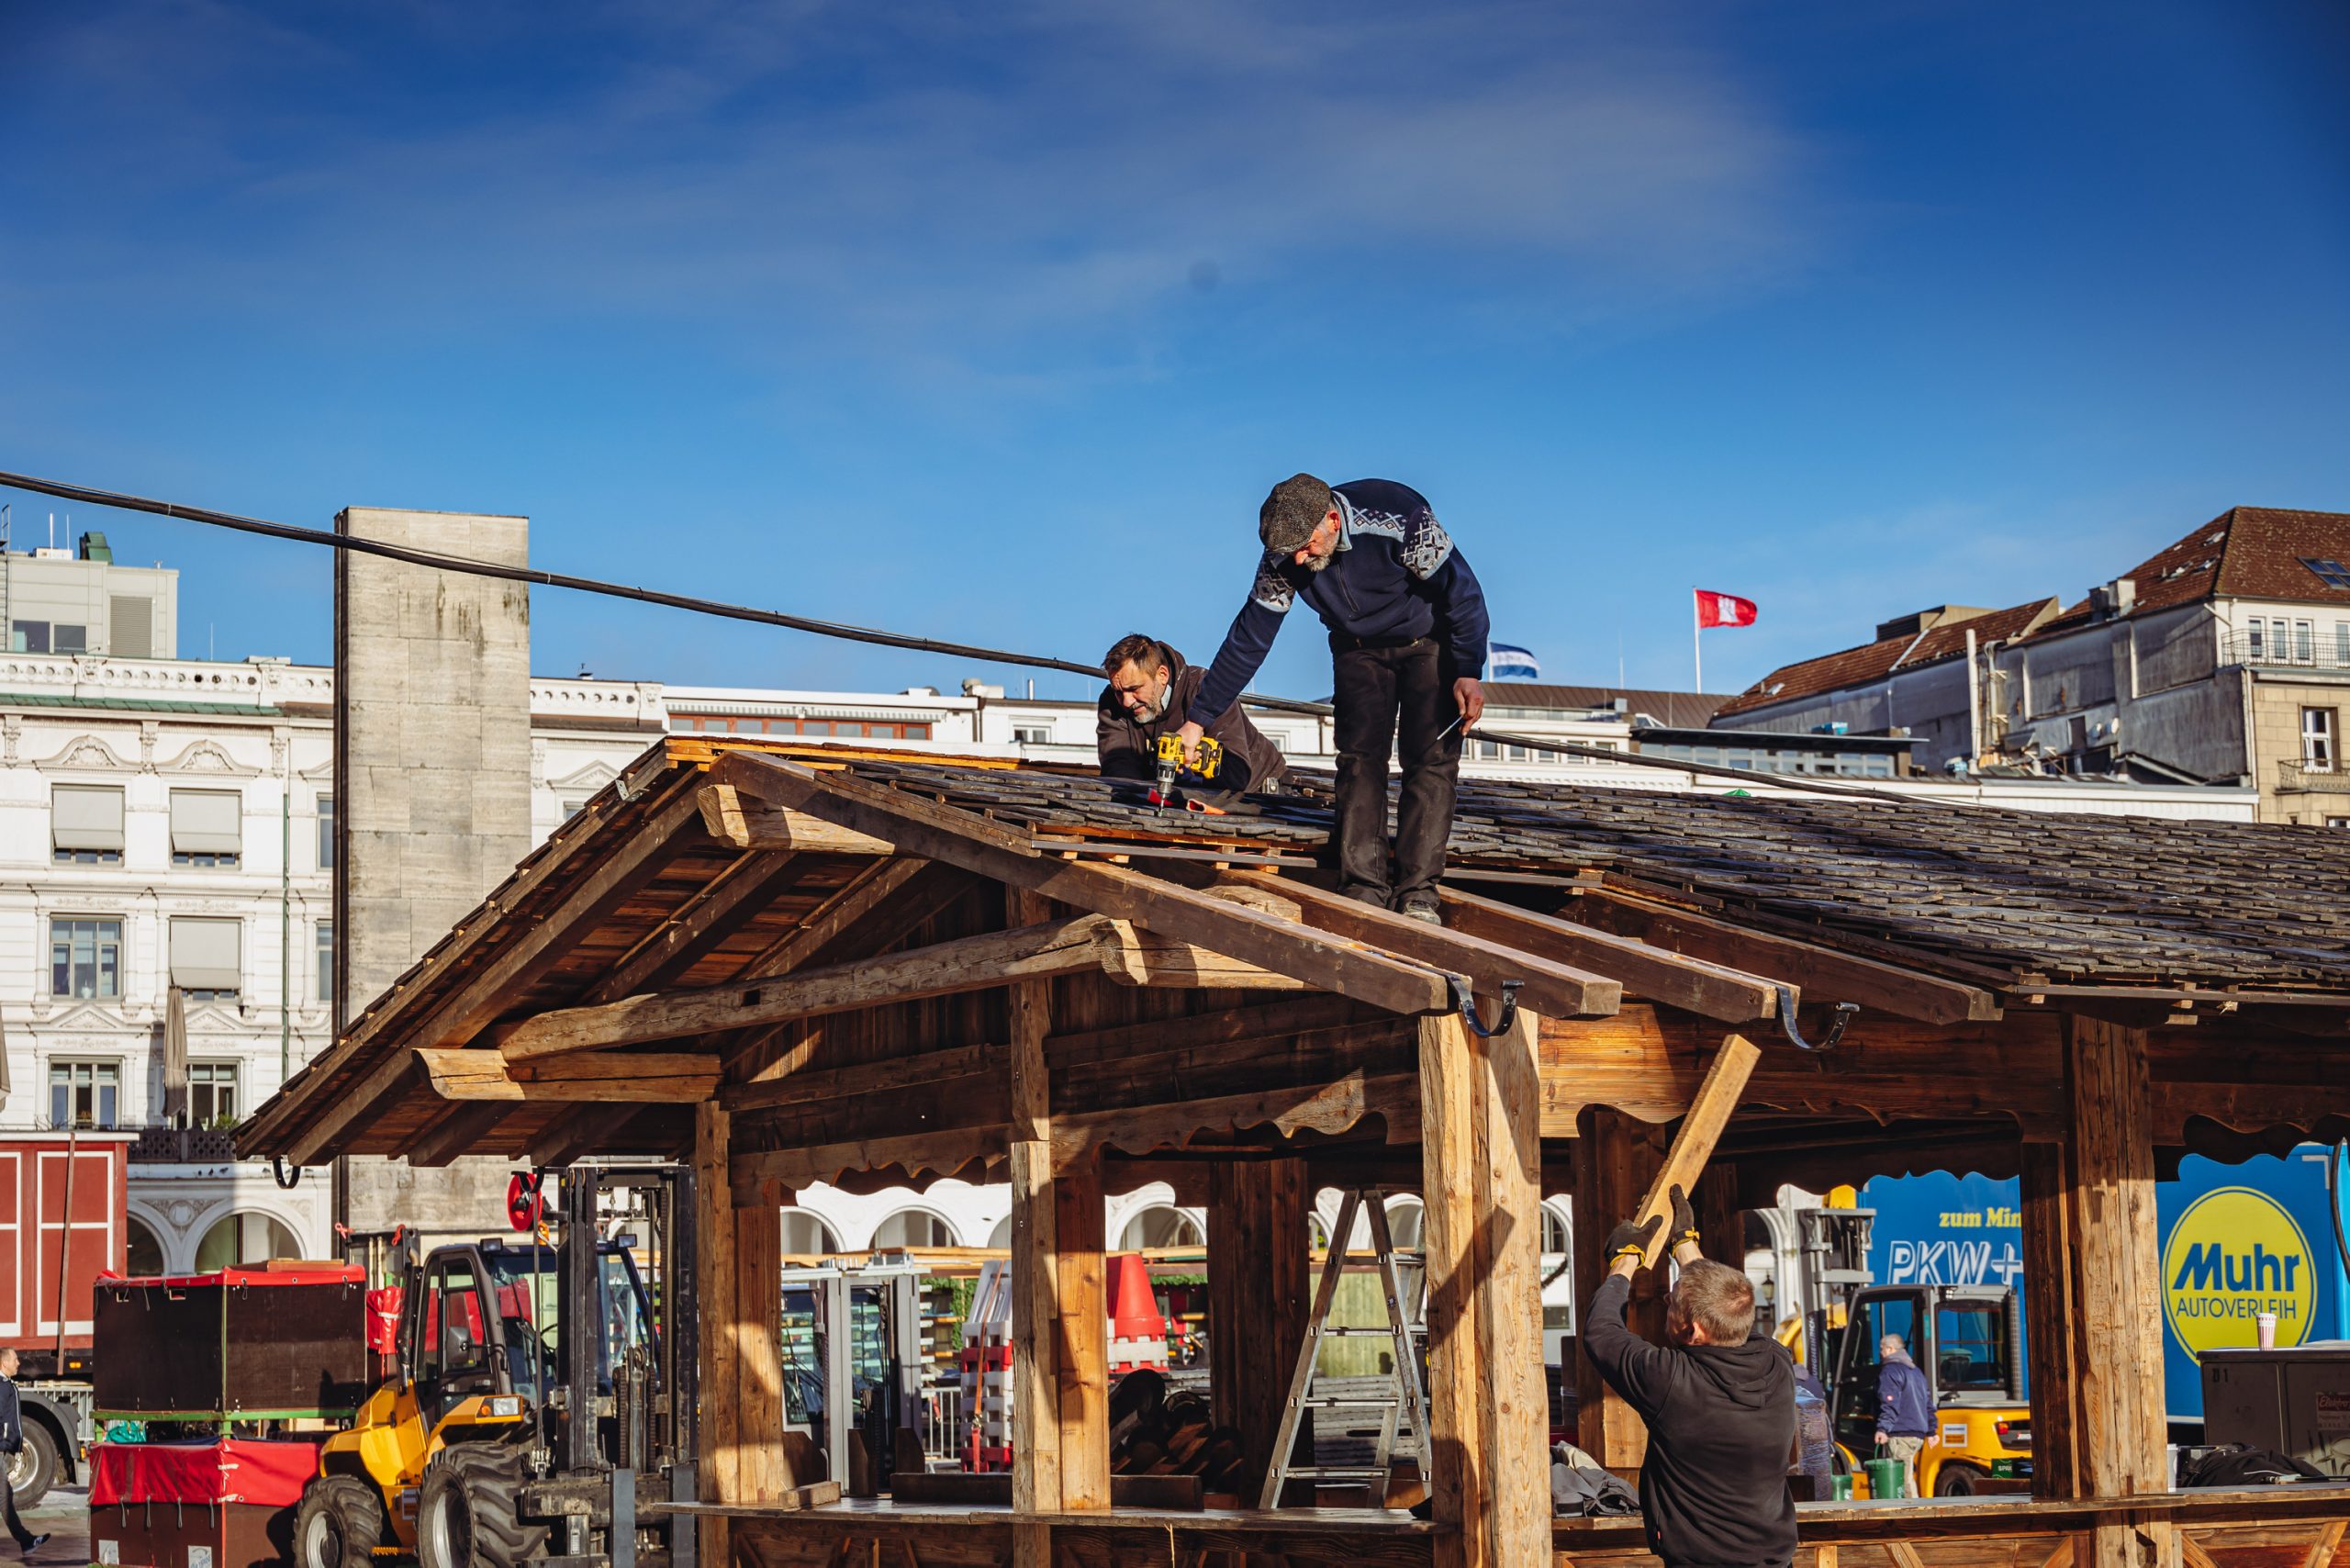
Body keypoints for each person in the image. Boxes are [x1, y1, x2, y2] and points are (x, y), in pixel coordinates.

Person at [1175, 475, 1488, 922]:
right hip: (1357, 649)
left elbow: (1464, 594)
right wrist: (1198, 719)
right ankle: (1364, 888)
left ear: (1333, 519)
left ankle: (1419, 893)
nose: (1300, 559)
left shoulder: (1399, 517)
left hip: (1427, 642)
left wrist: (1468, 671)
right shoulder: (1283, 557)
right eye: (1291, 553)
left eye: (1307, 546)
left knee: (1430, 761)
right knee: (1359, 760)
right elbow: (1249, 639)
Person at [1583, 1187, 1797, 1568]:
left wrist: (1625, 1260)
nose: (1667, 1299)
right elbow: (1729, 1313)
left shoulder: (1673, 1382)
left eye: (1673, 1300)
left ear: (1693, 1331)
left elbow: (1602, 1333)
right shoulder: (1777, 1363)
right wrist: (1685, 1245)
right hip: (1774, 1561)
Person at [1096, 634, 1286, 801]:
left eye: (1134, 689)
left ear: (1162, 675)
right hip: (1185, 800)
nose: (1127, 701)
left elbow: (1236, 775)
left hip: (1261, 791)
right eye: (1119, 692)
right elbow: (1118, 771)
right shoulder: (1112, 703)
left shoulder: (1207, 691)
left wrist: (1189, 778)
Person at [0, 1349, 51, 1558]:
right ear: (4, 1363)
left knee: (5, 1496)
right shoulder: (1, 1387)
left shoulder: (5, 1386)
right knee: (4, 1496)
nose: (19, 1363)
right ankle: (26, 1540)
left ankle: (26, 1541)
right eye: (15, 1359)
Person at [1874, 1333, 1934, 1498]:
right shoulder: (1916, 1371)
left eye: (1881, 1349)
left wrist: (1882, 1429)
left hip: (1901, 1433)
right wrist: (1931, 1431)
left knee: (1902, 1482)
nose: (1880, 1353)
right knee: (1907, 1477)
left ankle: (1912, 1518)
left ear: (1891, 1349)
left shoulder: (1890, 1371)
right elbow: (1928, 1403)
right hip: (1917, 1434)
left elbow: (1890, 1404)